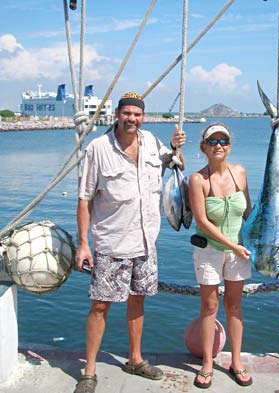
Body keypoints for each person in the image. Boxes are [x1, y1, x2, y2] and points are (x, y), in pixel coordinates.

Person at [74, 92, 186, 393]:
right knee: (100, 305)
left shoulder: (151, 142)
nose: (132, 119)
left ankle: (135, 359)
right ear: (117, 115)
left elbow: (176, 164)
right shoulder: (97, 149)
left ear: (143, 117)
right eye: (127, 114)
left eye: (137, 114)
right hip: (111, 242)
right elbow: (84, 200)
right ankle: (90, 370)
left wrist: (177, 148)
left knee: (138, 300)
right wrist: (83, 243)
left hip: (146, 241)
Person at [188, 122, 253, 389]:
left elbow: (249, 211)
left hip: (239, 251)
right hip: (209, 252)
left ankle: (236, 362)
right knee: (210, 307)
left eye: (223, 141)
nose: (218, 146)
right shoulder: (197, 179)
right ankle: (206, 362)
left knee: (235, 307)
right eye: (212, 141)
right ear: (203, 147)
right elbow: (202, 222)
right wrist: (234, 246)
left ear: (229, 146)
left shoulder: (240, 172)